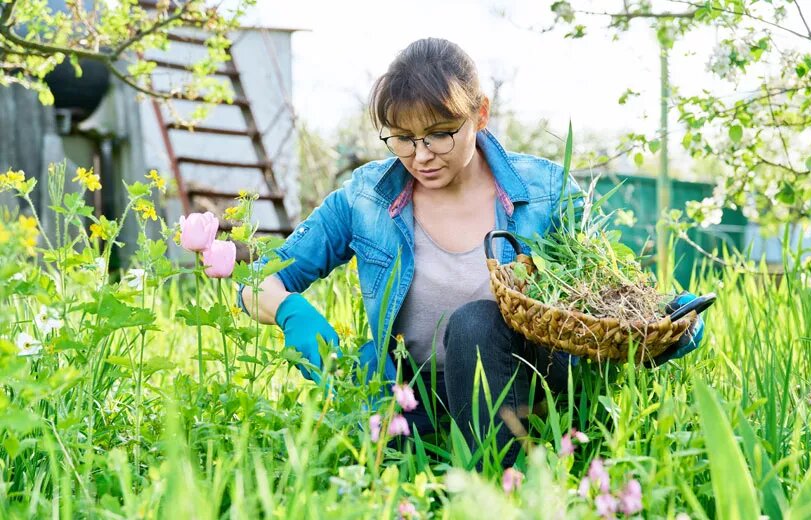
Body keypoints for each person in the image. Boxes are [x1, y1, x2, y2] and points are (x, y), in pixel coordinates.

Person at [237, 37, 704, 469]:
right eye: (402, 137)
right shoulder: (366, 198)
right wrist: (291, 312)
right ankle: (427, 465)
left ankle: (493, 485)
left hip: (525, 388)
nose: (421, 156)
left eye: (440, 133)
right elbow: (260, 280)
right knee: (387, 404)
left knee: (476, 322)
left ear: (480, 115)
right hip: (409, 394)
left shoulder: (545, 192)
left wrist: (661, 323)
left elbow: (600, 294)